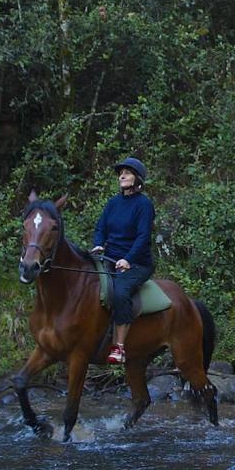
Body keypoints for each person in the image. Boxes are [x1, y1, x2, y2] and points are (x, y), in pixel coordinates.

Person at [93, 156, 155, 364]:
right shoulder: (113, 203)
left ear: (137, 179)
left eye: (127, 172)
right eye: (121, 173)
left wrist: (128, 260)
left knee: (120, 292)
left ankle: (118, 347)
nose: (122, 175)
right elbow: (101, 227)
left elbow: (143, 236)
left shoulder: (144, 205)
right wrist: (99, 243)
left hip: (137, 262)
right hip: (110, 257)